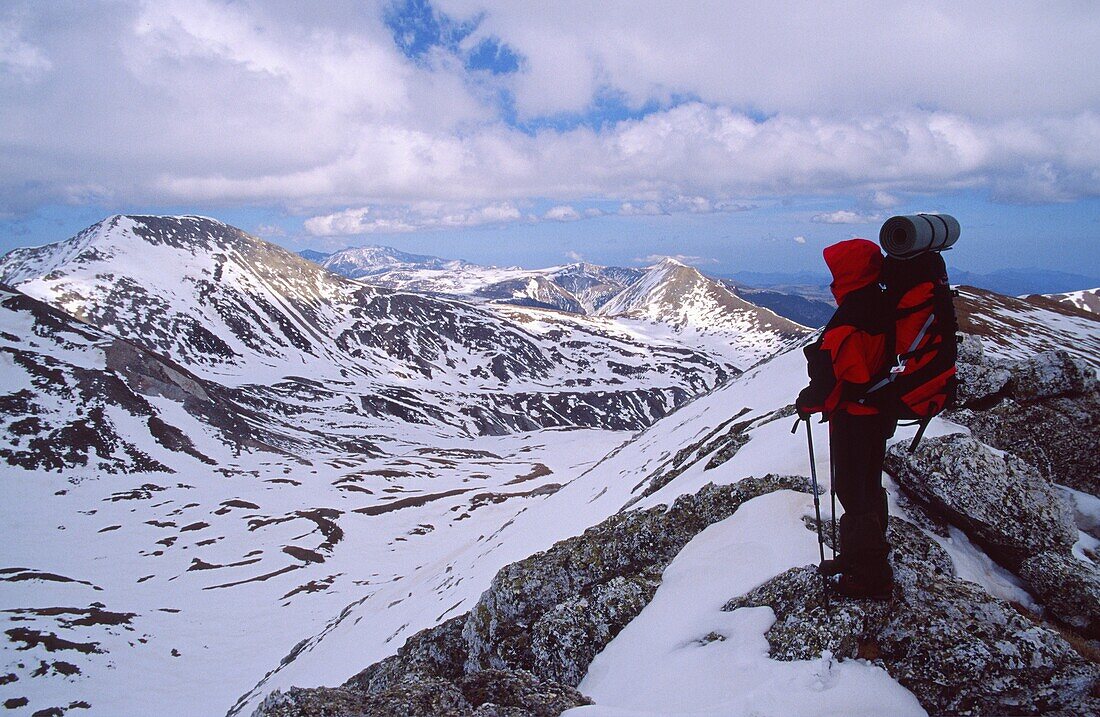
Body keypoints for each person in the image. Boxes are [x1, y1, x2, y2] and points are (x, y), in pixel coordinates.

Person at [795, 238, 897, 600]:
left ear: (848, 274)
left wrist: (811, 401)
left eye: (836, 273)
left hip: (855, 417)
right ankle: (863, 556)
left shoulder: (851, 318)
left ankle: (868, 575)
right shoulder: (883, 301)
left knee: (851, 490)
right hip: (880, 412)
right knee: (868, 483)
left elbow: (845, 378)